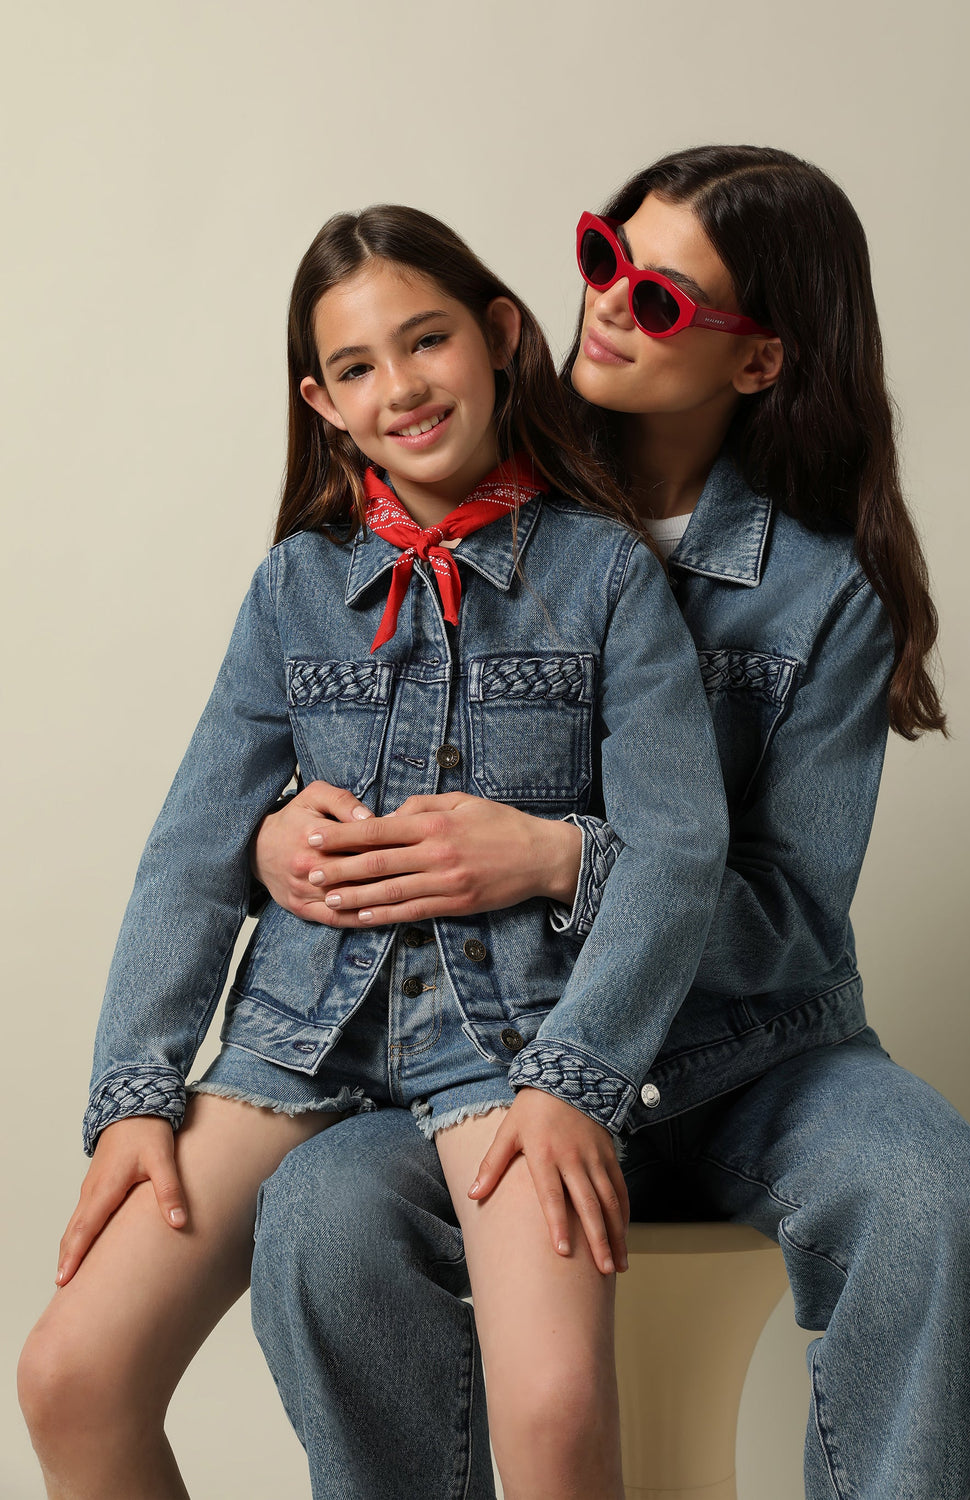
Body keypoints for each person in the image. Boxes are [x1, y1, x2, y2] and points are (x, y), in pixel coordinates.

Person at [247, 147, 970, 1500]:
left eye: (662, 299)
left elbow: (789, 920)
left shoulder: (824, 592)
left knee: (936, 1200)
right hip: (491, 1058)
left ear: (759, 360)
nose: (607, 304)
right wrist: (275, 841)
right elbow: (330, 712)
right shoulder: (464, 477)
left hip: (748, 1058)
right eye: (604, 258)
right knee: (320, 1214)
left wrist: (560, 861)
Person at [16, 204, 733, 1500]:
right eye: (356, 366)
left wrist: (575, 1078)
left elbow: (677, 852)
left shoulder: (605, 576)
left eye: (426, 340)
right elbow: (191, 851)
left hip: (508, 1042)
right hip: (300, 1029)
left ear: (499, 334)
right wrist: (135, 1094)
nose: (400, 386)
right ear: (323, 403)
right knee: (71, 1374)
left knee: (556, 1412)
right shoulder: (293, 584)